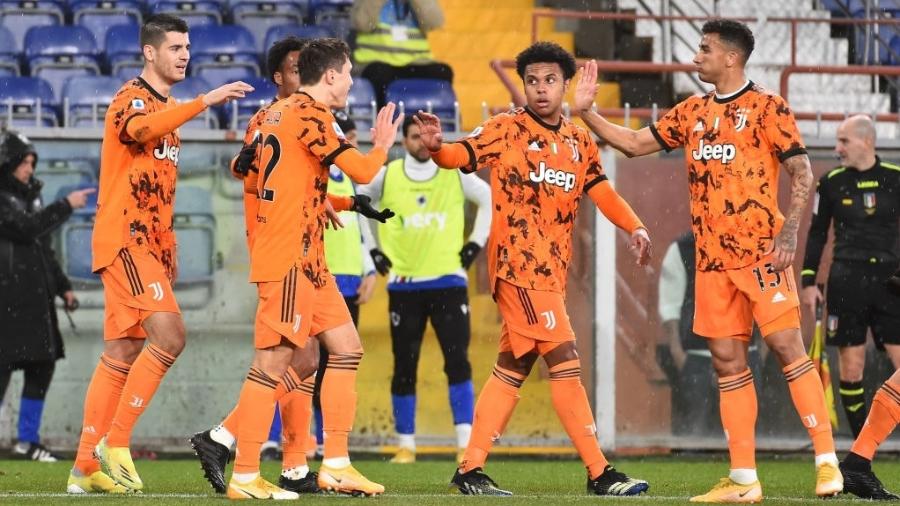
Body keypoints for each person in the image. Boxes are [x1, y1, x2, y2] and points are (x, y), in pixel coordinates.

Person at [574, 19, 842, 502]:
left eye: (704, 49)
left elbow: (802, 172)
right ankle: (744, 480)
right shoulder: (692, 111)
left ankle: (827, 464)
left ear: (731, 58)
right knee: (726, 362)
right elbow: (635, 144)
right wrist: (588, 114)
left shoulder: (766, 106)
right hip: (713, 263)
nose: (696, 57)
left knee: (787, 347)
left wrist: (789, 231)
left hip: (762, 253)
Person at [414, 41, 652, 496]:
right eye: (532, 80)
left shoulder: (579, 141)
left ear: (565, 85)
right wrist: (438, 148)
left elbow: (603, 194)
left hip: (551, 274)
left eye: (550, 80)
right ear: (523, 85)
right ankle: (600, 472)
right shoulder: (506, 129)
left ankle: (470, 469)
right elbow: (461, 156)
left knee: (513, 366)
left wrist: (636, 226)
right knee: (565, 359)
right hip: (518, 269)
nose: (540, 89)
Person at [189, 36, 393, 497]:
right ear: (333, 75)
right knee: (274, 362)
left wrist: (319, 201)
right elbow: (361, 170)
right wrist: (381, 145)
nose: (352, 82)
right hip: (287, 256)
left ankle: (336, 463)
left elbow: (261, 177)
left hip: (308, 255)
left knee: (345, 347)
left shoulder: (273, 115)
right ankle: (243, 473)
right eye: (349, 73)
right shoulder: (311, 114)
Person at [66, 13, 253, 494]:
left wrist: (166, 247)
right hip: (122, 240)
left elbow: (158, 189)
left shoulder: (168, 112)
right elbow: (139, 131)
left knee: (123, 349)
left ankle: (84, 467)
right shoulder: (132, 98)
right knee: (169, 335)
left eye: (187, 46)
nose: (185, 54)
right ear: (149, 52)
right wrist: (203, 101)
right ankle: (118, 442)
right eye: (175, 47)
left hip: (146, 245)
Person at [357, 114, 491, 464]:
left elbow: (488, 197)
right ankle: (406, 444)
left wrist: (476, 243)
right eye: (413, 136)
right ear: (404, 141)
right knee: (405, 364)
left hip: (448, 282)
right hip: (405, 285)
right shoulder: (389, 175)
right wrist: (371, 248)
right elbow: (359, 199)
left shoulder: (453, 171)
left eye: (423, 136)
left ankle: (465, 442)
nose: (420, 142)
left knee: (457, 361)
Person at [801, 114, 900, 439]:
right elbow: (817, 235)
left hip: (891, 283)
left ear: (867, 141)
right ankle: (863, 446)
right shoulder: (830, 182)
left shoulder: (895, 177)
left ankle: (885, 434)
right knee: (852, 369)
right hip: (846, 281)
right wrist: (808, 282)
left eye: (844, 141)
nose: (837, 147)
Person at [0, 131, 93, 462]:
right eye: (24, 162)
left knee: (41, 367)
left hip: (33, 300)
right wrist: (66, 205)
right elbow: (26, 228)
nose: (29, 169)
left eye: (31, 163)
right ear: (8, 163)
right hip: (6, 301)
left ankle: (27, 440)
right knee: (2, 368)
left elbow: (42, 246)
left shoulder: (31, 197)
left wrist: (63, 285)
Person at [351, 0, 454, 108]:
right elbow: (362, 23)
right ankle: (389, 122)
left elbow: (435, 22)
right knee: (379, 76)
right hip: (378, 62)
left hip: (417, 63)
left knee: (443, 72)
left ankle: (428, 121)